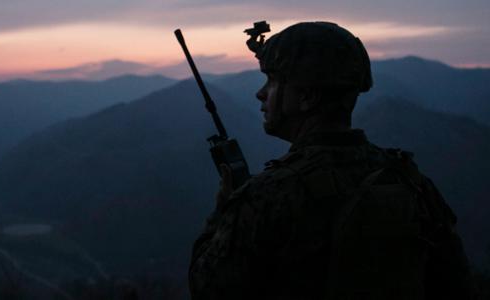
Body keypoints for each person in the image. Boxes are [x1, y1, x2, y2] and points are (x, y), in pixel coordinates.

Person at [188, 21, 474, 300]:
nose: (261, 93)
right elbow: (456, 283)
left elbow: (207, 287)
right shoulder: (409, 181)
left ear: (307, 97)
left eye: (273, 80)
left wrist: (224, 211)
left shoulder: (267, 196)